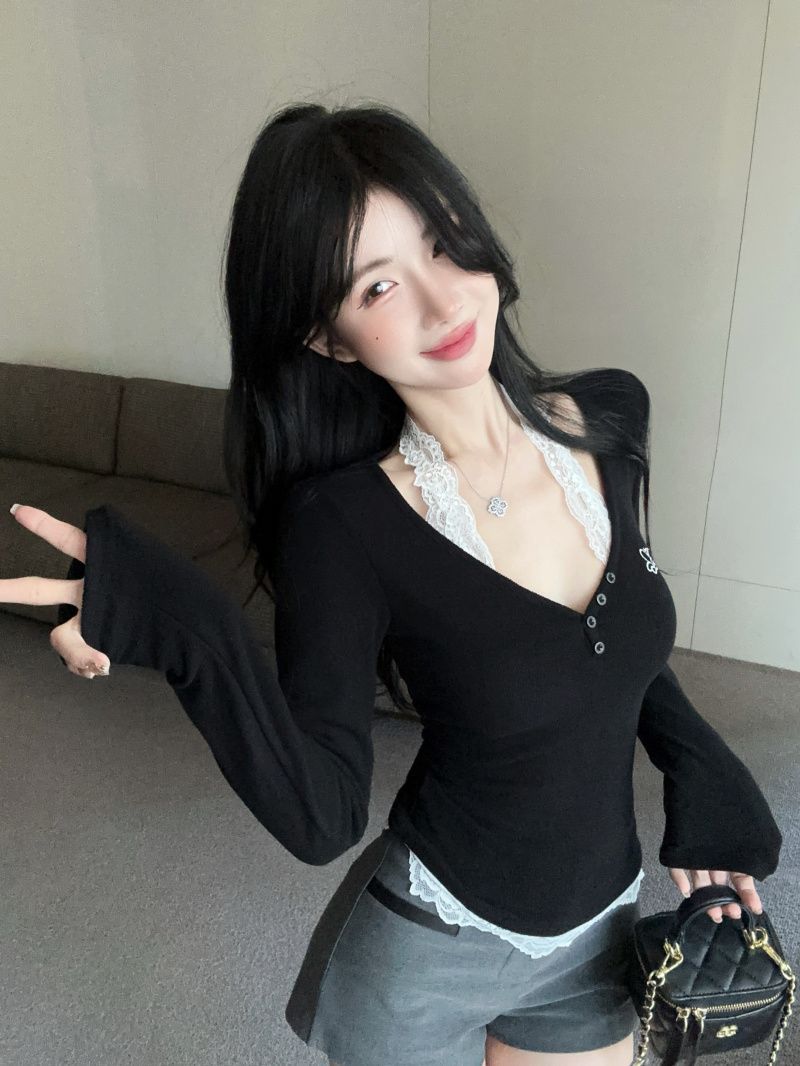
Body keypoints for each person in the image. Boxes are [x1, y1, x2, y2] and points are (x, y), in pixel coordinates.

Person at [2, 103, 782, 1066]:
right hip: (434, 949)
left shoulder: (612, 420)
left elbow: (612, 644)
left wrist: (708, 776)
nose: (442, 302)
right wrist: (190, 631)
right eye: (377, 285)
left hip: (601, 936)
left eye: (444, 245)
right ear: (327, 337)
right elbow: (321, 815)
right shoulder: (343, 526)